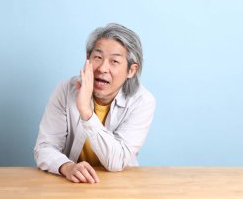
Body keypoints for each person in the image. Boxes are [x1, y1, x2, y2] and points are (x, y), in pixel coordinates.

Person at [34, 23, 156, 183]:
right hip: (71, 184)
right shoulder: (65, 90)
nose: (103, 68)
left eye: (114, 61)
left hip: (119, 185)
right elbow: (44, 148)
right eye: (97, 57)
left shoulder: (142, 101)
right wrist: (67, 166)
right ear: (87, 58)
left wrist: (86, 112)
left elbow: (116, 161)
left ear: (131, 70)